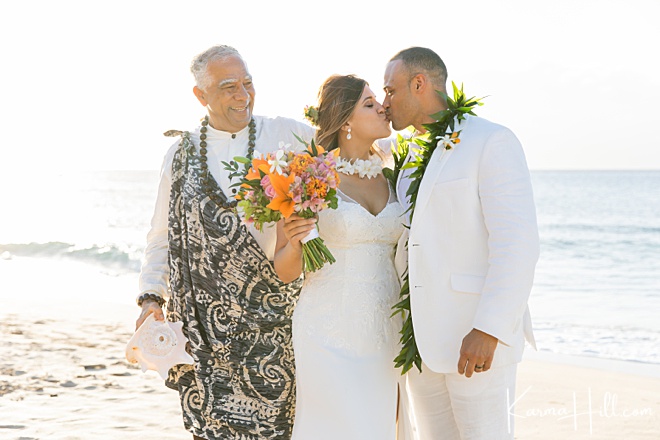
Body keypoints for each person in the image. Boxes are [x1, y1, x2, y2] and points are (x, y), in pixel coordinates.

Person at [135, 45, 315, 440]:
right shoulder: (180, 154)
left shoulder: (289, 134)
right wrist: (151, 297)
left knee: (279, 427)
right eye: (229, 87)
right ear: (201, 95)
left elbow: (347, 167)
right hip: (202, 330)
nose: (243, 96)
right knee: (211, 429)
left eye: (248, 83)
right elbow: (161, 236)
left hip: (274, 324)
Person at [384, 47, 540, 439]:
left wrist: (488, 330)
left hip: (474, 340)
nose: (385, 102)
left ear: (419, 84)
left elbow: (517, 244)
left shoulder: (491, 141)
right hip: (421, 344)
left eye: (390, 90)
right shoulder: (408, 156)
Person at [273, 75, 406, 440]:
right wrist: (297, 241)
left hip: (386, 329)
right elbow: (285, 270)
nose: (382, 107)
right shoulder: (311, 176)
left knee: (377, 428)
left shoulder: (397, 175)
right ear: (345, 120)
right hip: (327, 329)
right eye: (369, 103)